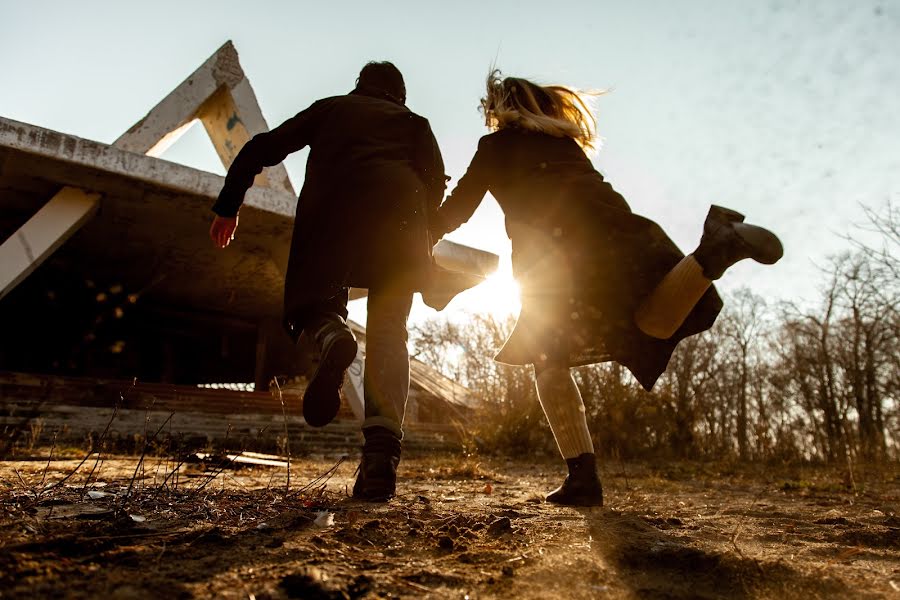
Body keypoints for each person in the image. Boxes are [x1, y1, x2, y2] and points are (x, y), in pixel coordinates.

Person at [431, 71, 783, 507]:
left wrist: (419, 232)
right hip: (624, 233)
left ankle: (582, 477)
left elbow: (460, 208)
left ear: (499, 110)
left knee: (547, 360)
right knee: (652, 322)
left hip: (558, 258)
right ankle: (711, 253)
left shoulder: (495, 146)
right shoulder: (565, 144)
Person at [209, 61, 447, 501]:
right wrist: (423, 246)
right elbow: (436, 190)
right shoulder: (416, 124)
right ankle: (379, 459)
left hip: (333, 221)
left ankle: (332, 334)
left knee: (314, 301)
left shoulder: (332, 109)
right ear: (400, 95)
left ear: (359, 87)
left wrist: (229, 204)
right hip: (400, 227)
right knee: (389, 333)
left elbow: (262, 147)